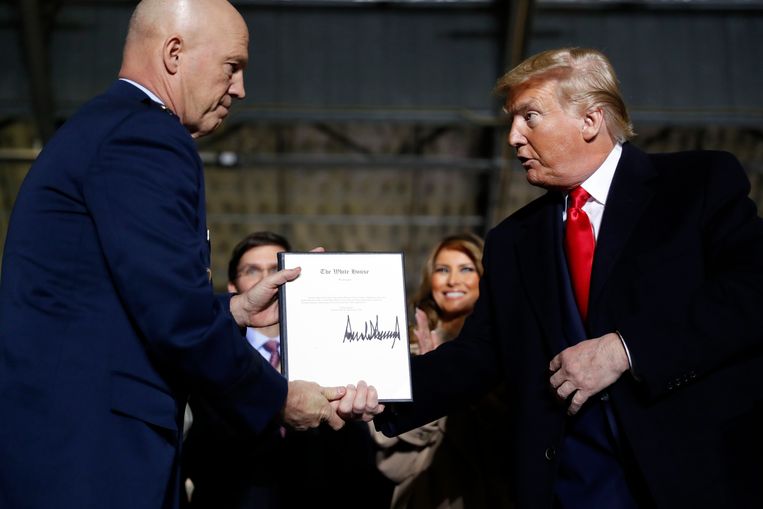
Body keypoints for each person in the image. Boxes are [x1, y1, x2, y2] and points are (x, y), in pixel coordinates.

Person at [0, 2, 381, 508]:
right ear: (174, 53)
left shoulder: (105, 129)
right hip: (96, 455)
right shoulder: (146, 136)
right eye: (233, 66)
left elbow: (127, 297)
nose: (241, 88)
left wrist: (236, 310)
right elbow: (174, 313)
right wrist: (279, 397)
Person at [373, 47, 763, 508]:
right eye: (511, 122)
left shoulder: (698, 184)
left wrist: (627, 348)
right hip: (568, 488)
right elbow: (481, 355)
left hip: (693, 477)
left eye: (530, 117)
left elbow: (751, 291)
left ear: (590, 120)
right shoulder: (512, 240)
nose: (514, 138)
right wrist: (376, 389)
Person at [184, 231, 391, 509]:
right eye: (253, 270)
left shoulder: (331, 350)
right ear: (233, 287)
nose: (267, 278)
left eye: (276, 268)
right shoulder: (210, 353)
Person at [372, 233, 513, 508]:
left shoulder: (507, 343)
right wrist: (424, 378)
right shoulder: (402, 341)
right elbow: (385, 445)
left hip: (493, 490)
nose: (453, 280)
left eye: (466, 269)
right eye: (442, 270)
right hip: (428, 492)